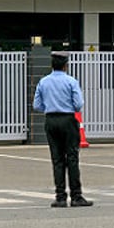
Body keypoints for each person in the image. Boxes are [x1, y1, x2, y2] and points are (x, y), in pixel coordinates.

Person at [33, 51, 93, 208]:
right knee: (72, 158)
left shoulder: (43, 82)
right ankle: (76, 196)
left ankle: (60, 197)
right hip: (67, 120)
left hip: (51, 120)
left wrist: (51, 106)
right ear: (66, 65)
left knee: (57, 159)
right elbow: (79, 104)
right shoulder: (71, 81)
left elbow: (37, 105)